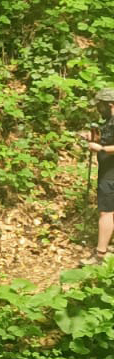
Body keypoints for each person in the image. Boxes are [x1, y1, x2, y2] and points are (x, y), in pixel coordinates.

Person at [81, 88, 114, 265]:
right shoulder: (110, 121)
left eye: (100, 106)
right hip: (108, 172)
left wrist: (100, 148)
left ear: (110, 105)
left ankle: (100, 256)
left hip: (111, 175)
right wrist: (94, 137)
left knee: (106, 212)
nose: (98, 109)